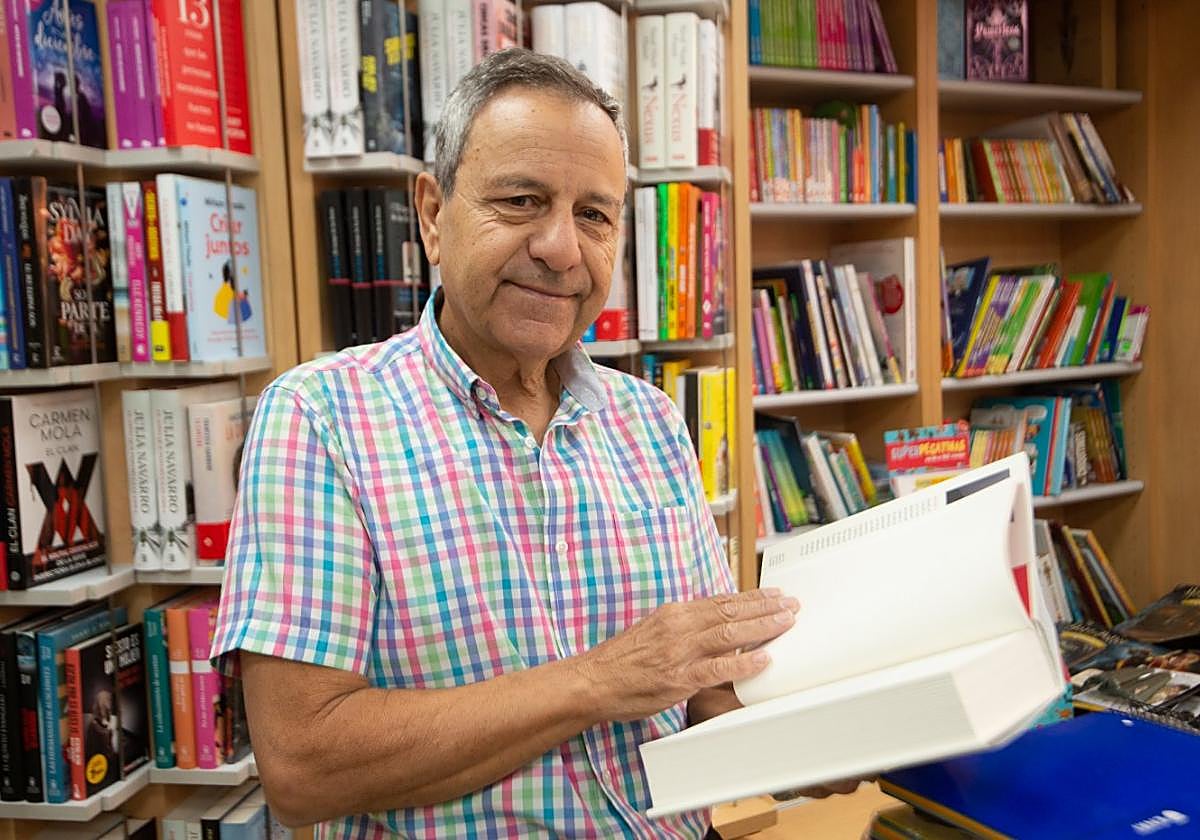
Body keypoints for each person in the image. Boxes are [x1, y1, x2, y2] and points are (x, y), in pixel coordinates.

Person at [212, 49, 851, 838]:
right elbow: (303, 766)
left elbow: (701, 690)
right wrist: (598, 681)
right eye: (521, 201)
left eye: (594, 215)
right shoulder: (321, 419)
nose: (561, 248)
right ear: (432, 215)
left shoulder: (651, 421)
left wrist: (810, 731)